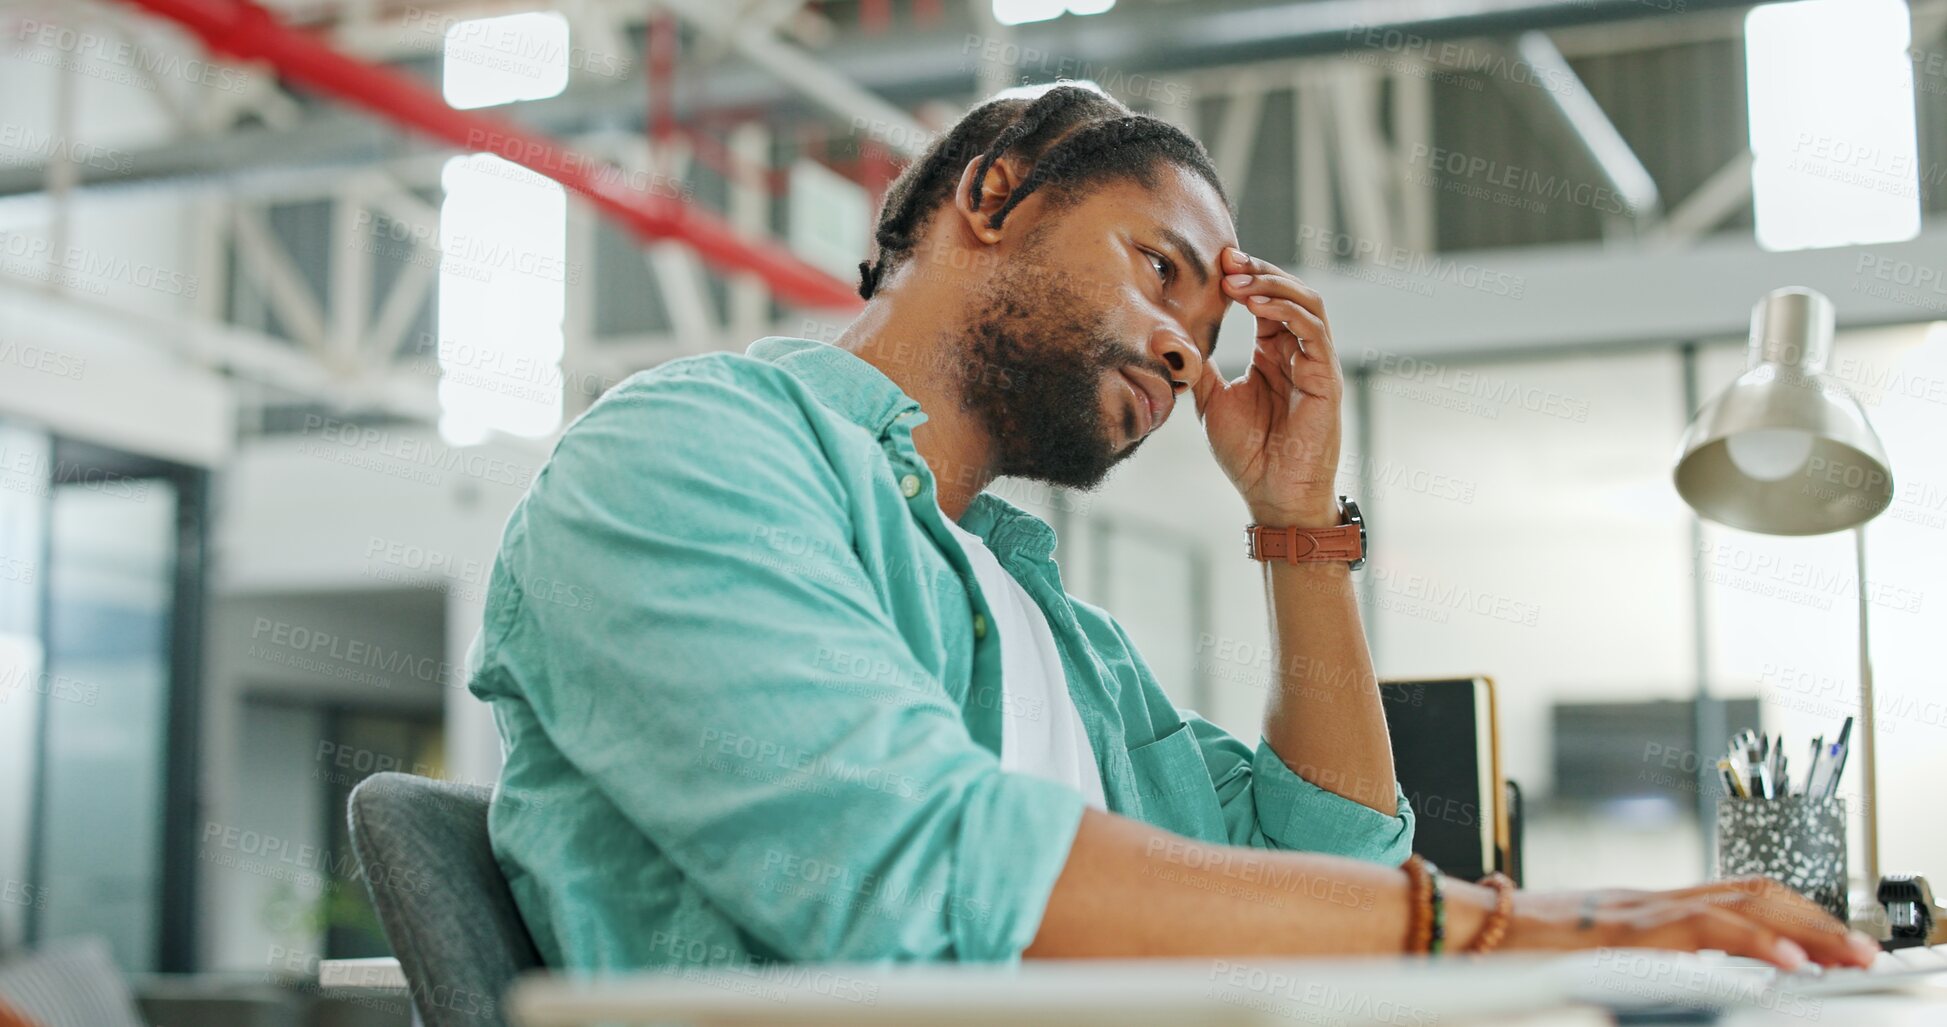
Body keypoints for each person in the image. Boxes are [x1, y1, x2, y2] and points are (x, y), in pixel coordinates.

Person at [466, 85, 1878, 972]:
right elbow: (923, 871)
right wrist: (1526, 924)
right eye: (1161, 270)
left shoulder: (1050, 628)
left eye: (1213, 332)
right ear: (994, 194)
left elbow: (1335, 880)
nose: (1191, 356)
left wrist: (1296, 522)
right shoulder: (688, 454)